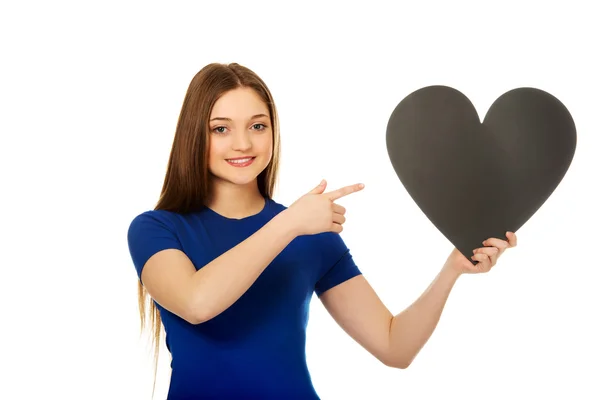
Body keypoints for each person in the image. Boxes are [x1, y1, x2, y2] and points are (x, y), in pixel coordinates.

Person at [127, 62, 518, 399]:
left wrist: (451, 269)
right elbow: (198, 303)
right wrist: (289, 223)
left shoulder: (312, 235)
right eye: (221, 129)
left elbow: (394, 347)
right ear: (194, 135)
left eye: (258, 125)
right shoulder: (156, 229)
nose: (243, 143)